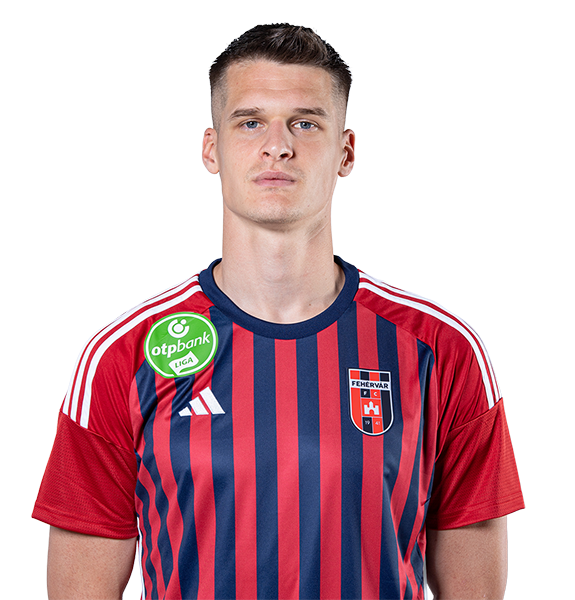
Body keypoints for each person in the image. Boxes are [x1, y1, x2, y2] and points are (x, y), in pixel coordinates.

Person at [33, 23, 524, 600]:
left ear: (345, 151)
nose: (278, 146)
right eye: (250, 122)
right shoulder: (123, 355)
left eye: (305, 123)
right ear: (211, 149)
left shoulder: (441, 349)